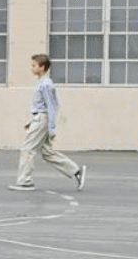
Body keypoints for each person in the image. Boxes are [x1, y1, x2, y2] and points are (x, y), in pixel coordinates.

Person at [8, 54, 87, 191]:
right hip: (38, 119)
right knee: (47, 153)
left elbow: (51, 107)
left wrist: (51, 128)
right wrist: (31, 121)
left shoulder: (46, 84)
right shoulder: (41, 82)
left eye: (34, 65)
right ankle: (76, 171)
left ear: (42, 67)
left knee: (27, 149)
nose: (31, 68)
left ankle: (25, 182)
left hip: (41, 120)